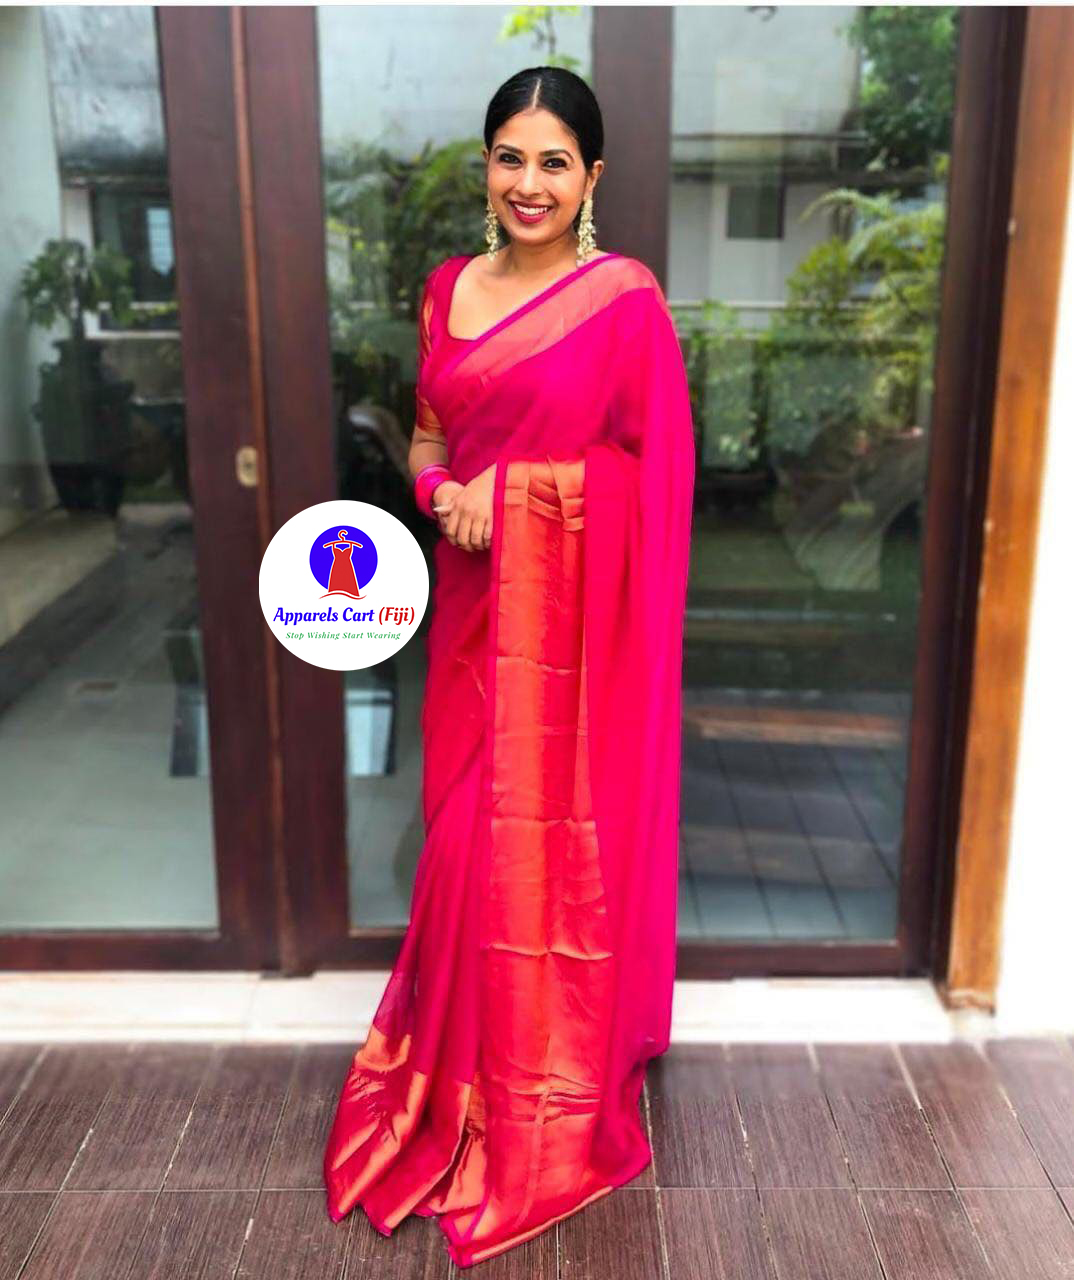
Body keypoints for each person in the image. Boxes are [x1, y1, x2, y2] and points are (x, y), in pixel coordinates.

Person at [323, 64, 695, 1268]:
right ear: (485, 165)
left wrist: (524, 494)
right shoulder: (448, 290)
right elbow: (429, 436)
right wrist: (443, 493)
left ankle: (534, 1085)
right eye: (509, 156)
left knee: (513, 844)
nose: (528, 183)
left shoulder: (623, 301)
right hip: (476, 608)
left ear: (591, 177)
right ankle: (454, 1079)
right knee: (459, 838)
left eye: (553, 162)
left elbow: (655, 476)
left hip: (572, 627)